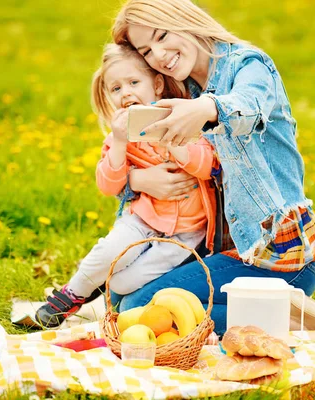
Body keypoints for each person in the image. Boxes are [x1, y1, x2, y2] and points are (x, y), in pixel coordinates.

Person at [109, 0, 315, 334]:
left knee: (139, 308)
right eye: (147, 50)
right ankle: (274, 311)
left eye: (162, 35)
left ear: (185, 19)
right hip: (228, 251)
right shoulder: (181, 86)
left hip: (280, 254)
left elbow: (249, 106)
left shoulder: (248, 66)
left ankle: (295, 321)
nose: (159, 54)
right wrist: (137, 179)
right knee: (118, 297)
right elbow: (138, 158)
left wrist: (207, 108)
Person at [35, 43, 217, 328]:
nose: (126, 93)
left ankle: (104, 285)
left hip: (186, 234)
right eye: (116, 89)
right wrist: (119, 141)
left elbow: (207, 166)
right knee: (109, 252)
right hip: (143, 218)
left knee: (122, 281)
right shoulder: (120, 134)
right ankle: (73, 293)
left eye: (134, 82)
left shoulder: (182, 118)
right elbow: (108, 183)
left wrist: (173, 142)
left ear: (157, 85)